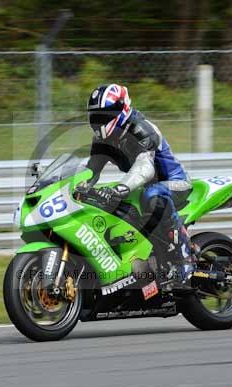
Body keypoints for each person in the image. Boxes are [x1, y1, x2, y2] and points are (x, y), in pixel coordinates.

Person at [83, 83, 194, 285]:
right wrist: (76, 186)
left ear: (122, 109)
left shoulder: (141, 129)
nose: (99, 121)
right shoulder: (103, 140)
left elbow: (145, 166)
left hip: (174, 182)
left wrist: (120, 188)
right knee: (104, 202)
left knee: (152, 195)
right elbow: (91, 170)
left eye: (104, 115)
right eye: (96, 116)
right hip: (143, 186)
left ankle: (185, 257)